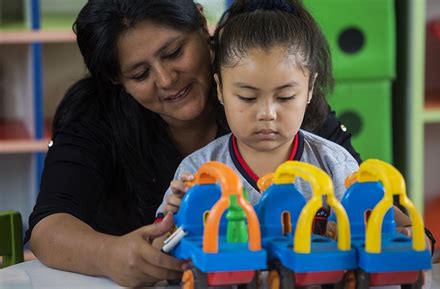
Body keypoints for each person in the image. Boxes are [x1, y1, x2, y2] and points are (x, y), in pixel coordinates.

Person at [26, 0, 361, 287]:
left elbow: (368, 199)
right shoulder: (95, 115)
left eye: (174, 53)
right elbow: (49, 227)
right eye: (140, 74)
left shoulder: (269, 82)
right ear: (117, 79)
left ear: (202, 24)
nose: (166, 79)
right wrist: (109, 255)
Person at [157, 0, 359, 217]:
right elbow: (160, 247)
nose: (267, 114)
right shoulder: (199, 172)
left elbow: (368, 238)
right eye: (248, 97)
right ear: (220, 89)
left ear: (309, 89)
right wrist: (175, 220)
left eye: (285, 97)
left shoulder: (334, 166)